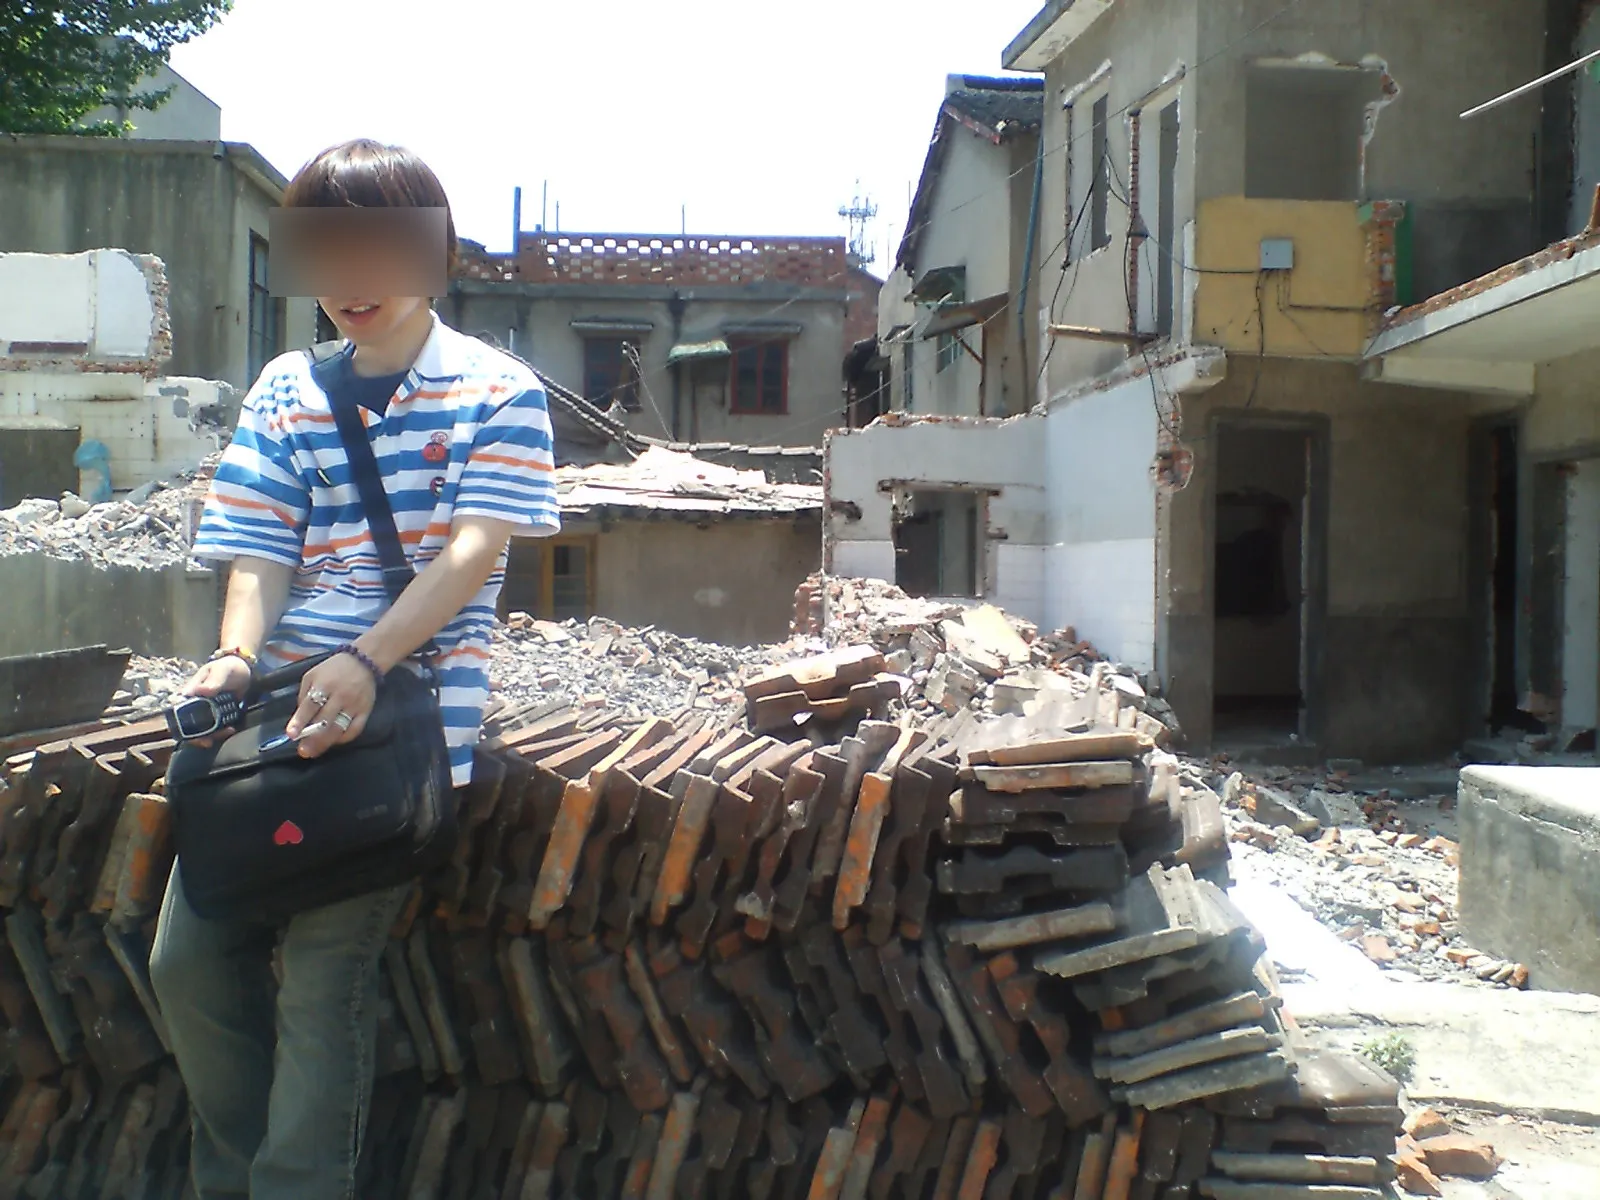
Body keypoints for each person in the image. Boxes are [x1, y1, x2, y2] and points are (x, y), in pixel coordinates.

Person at [148, 139, 559, 1200]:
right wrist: (236, 656)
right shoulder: (287, 388)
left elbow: (474, 552)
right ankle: (229, 1180)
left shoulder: (498, 392)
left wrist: (369, 659)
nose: (349, 283)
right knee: (185, 965)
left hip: (399, 719)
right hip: (275, 719)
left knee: (323, 983)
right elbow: (259, 546)